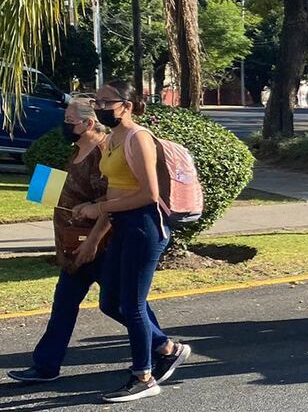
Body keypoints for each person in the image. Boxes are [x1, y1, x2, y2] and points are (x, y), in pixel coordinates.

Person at [7, 99, 184, 384]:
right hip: (74, 244)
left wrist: (91, 242)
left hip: (101, 244)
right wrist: (46, 190)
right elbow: (71, 191)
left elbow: (111, 202)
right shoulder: (77, 150)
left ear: (89, 123)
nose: (64, 125)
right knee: (68, 303)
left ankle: (163, 350)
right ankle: (46, 365)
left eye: (69, 120)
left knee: (126, 304)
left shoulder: (104, 151)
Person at [73, 80, 190, 403]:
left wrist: (98, 208)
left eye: (106, 102)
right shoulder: (112, 139)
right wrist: (95, 236)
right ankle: (167, 348)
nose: (99, 107)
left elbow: (148, 194)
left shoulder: (139, 139)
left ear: (127, 105)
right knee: (111, 302)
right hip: (122, 226)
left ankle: (144, 376)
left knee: (133, 305)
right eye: (96, 101)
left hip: (144, 227)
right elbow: (114, 193)